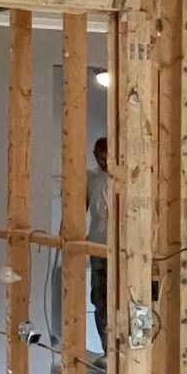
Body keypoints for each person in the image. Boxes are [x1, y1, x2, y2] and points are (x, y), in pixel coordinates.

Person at [86, 134, 110, 349]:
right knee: (99, 299)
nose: (104, 163)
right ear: (95, 155)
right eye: (100, 158)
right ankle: (106, 349)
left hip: (122, 248)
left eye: (108, 158)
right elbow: (79, 207)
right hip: (96, 245)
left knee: (120, 297)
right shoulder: (90, 177)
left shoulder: (125, 177)